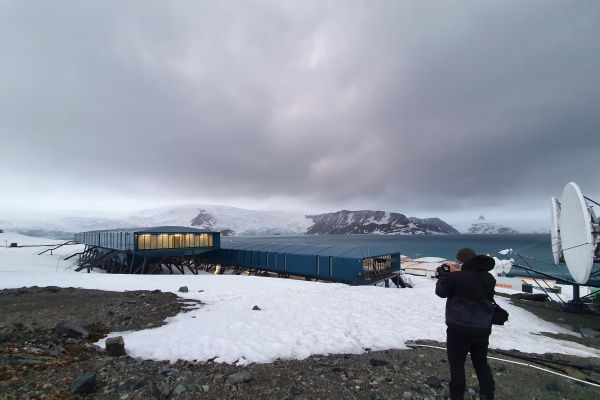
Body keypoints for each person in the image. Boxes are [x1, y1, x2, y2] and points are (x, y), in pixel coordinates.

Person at [435, 248, 496, 400]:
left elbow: (441, 292)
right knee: (481, 363)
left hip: (459, 329)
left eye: (458, 261)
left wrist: (443, 276)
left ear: (461, 261)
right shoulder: (489, 278)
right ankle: (487, 395)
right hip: (482, 329)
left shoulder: (457, 278)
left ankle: (457, 396)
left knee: (457, 365)